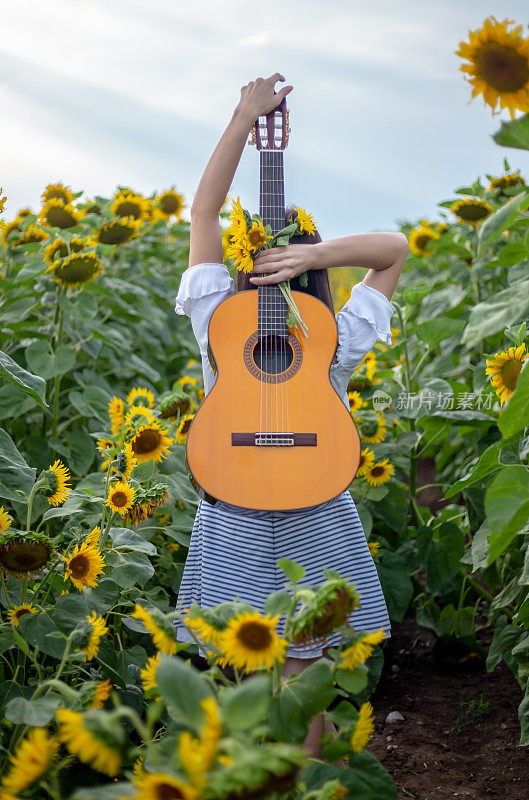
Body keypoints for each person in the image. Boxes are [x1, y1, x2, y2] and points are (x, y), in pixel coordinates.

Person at [172, 73, 409, 759]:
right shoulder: (241, 322)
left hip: (256, 494)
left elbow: (392, 247)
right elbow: (205, 216)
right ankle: (286, 775)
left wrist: (314, 251)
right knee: (279, 664)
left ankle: (289, 778)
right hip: (276, 498)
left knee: (273, 668)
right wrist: (244, 120)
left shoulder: (293, 329)